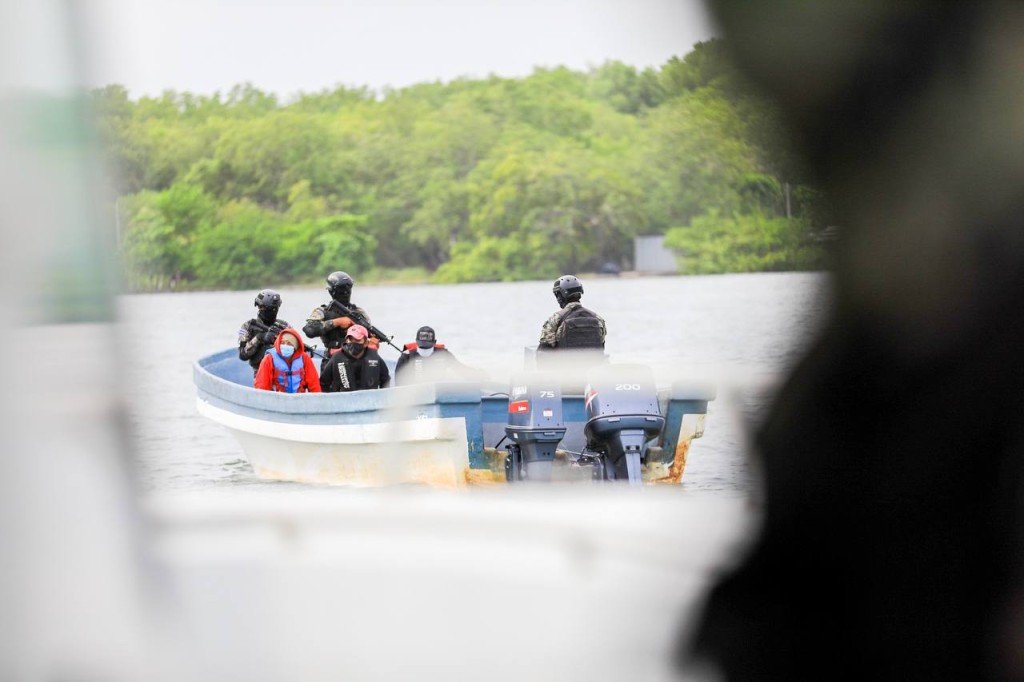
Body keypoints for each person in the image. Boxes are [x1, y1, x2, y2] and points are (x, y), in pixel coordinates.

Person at [303, 271, 376, 370]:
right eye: (342, 291)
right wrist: (337, 322)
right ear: (332, 291)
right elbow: (309, 330)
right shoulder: (323, 311)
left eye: (348, 290)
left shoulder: (358, 312)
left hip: (357, 359)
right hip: (332, 360)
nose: (346, 293)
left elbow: (370, 333)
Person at [537, 275, 606, 354]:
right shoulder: (598, 319)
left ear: (561, 296)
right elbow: (601, 346)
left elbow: (543, 352)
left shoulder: (556, 319)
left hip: (566, 365)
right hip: (594, 364)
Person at [394, 325, 476, 385]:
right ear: (416, 341)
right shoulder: (406, 356)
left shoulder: (444, 354)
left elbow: (460, 370)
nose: (425, 351)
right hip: (414, 394)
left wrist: (478, 375)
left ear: (435, 342)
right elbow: (398, 382)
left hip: (438, 392)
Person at [319, 324, 390, 393]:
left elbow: (385, 380)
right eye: (350, 339)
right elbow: (323, 383)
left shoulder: (374, 357)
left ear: (365, 343)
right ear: (346, 340)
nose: (353, 343)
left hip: (369, 401)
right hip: (343, 401)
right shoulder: (337, 358)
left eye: (357, 340)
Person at [238, 288, 289, 376]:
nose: (274, 311)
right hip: (260, 373)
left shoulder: (283, 325)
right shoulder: (248, 326)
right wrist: (259, 338)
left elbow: (295, 345)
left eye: (275, 308)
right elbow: (242, 355)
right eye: (270, 308)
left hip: (283, 373)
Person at [253, 328, 321, 393]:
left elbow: (314, 383)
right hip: (277, 399)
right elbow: (262, 385)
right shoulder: (269, 359)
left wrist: (316, 400)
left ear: (295, 346)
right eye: (282, 342)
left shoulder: (304, 358)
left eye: (289, 343)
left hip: (299, 399)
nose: (285, 345)